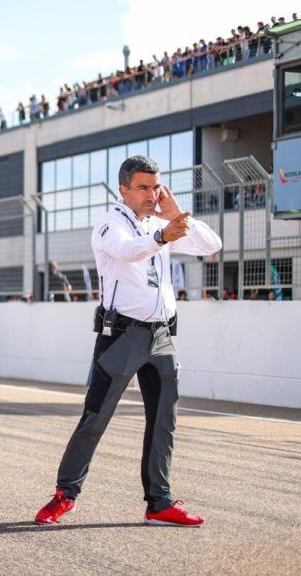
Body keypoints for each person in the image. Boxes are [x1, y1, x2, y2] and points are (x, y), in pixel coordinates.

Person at [34, 155, 222, 528]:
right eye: (143, 187)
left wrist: (175, 214)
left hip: (162, 335)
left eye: (156, 186)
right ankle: (64, 495)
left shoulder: (161, 222)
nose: (152, 194)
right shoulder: (109, 224)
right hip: (121, 336)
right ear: (124, 190)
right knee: (95, 417)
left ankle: (159, 502)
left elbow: (210, 245)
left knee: (164, 421)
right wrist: (161, 235)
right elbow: (128, 251)